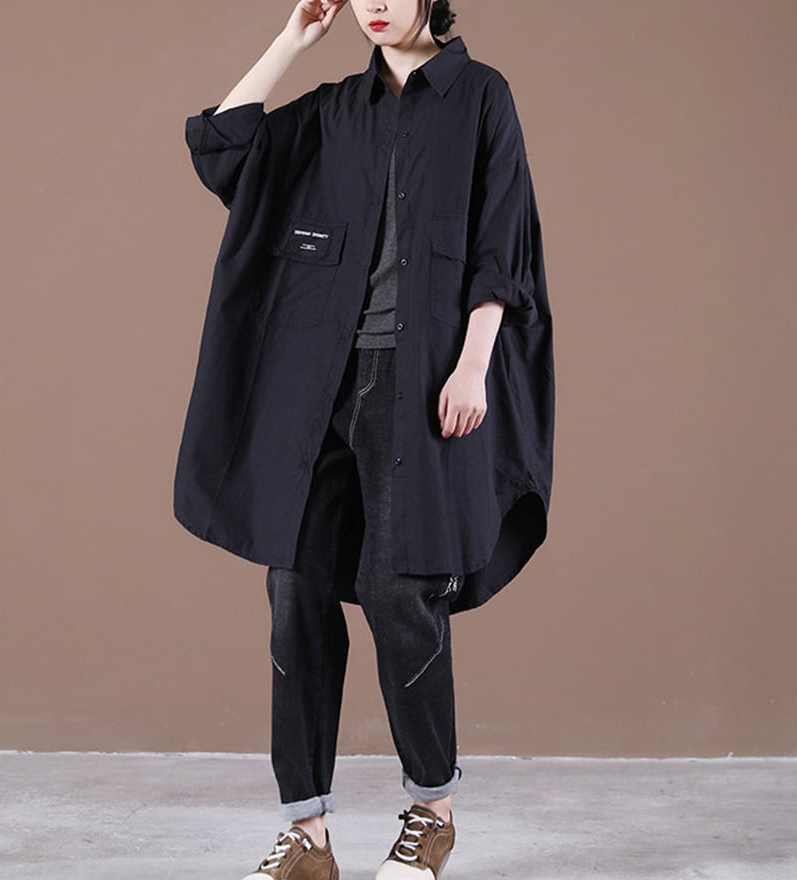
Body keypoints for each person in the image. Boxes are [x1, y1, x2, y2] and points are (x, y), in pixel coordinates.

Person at [173, 1, 555, 877]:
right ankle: (307, 837)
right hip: (319, 384)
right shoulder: (334, 109)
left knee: (399, 589)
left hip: (420, 383)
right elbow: (222, 149)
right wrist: (292, 40)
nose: (376, 4)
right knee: (294, 586)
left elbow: (504, 242)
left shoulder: (481, 96)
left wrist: (474, 365)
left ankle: (433, 811)